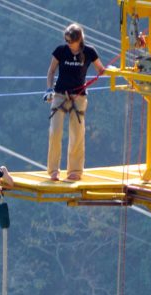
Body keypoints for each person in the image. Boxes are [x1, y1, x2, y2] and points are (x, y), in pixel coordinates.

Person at [43, 23, 105, 181]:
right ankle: (53, 171)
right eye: (66, 40)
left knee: (77, 134)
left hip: (78, 97)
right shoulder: (60, 51)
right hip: (60, 95)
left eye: (70, 41)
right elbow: (51, 71)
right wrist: (49, 89)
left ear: (78, 40)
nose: (67, 43)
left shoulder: (89, 52)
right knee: (55, 132)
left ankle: (75, 171)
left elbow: (100, 69)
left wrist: (104, 72)